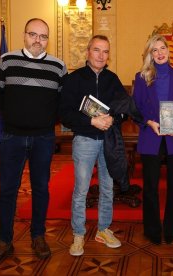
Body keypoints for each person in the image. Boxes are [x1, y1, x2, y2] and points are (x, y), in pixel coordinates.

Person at [0, 18, 67, 266]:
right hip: (12, 137)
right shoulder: (7, 61)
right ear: (24, 35)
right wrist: (11, 118)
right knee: (8, 190)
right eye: (33, 34)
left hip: (43, 137)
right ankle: (4, 241)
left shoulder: (58, 66)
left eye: (43, 36)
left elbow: (62, 101)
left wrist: (48, 120)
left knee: (41, 189)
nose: (38, 40)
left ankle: (38, 236)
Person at [60, 35, 127, 256]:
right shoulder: (74, 79)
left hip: (108, 141)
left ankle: (103, 229)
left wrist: (113, 120)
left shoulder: (113, 79)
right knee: (81, 190)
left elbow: (123, 108)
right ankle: (78, 234)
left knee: (108, 188)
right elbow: (65, 114)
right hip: (85, 141)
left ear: (109, 55)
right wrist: (91, 121)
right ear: (88, 52)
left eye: (105, 51)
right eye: (97, 50)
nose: (101, 55)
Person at [132, 34, 173, 245]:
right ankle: (152, 229)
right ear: (150, 54)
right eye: (154, 50)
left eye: (162, 48)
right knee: (150, 186)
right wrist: (148, 122)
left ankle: (170, 228)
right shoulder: (141, 78)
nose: (159, 53)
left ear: (168, 50)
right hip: (151, 135)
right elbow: (136, 109)